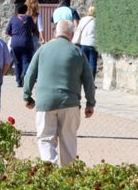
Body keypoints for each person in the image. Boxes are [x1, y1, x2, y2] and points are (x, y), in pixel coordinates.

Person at [23, 19, 96, 166]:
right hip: (70, 102)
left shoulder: (42, 50)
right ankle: (68, 176)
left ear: (55, 32)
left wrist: (27, 96)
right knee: (68, 140)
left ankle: (50, 171)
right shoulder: (77, 52)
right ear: (71, 34)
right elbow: (89, 80)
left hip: (45, 102)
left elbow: (30, 74)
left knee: (45, 139)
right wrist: (90, 103)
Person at [6, 2, 39, 88]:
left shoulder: (13, 19)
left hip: (15, 43)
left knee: (17, 62)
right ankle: (24, 75)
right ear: (26, 10)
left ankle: (18, 81)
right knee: (26, 60)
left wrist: (16, 36)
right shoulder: (28, 18)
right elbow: (34, 29)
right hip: (26, 42)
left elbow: (8, 31)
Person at [74, 6, 98, 75]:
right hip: (93, 43)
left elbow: (78, 29)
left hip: (83, 43)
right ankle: (91, 81)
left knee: (84, 64)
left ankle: (83, 81)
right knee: (92, 63)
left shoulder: (83, 19)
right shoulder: (97, 21)